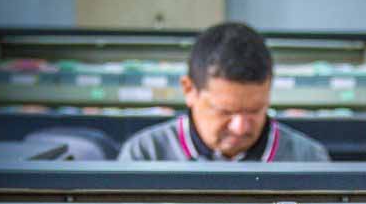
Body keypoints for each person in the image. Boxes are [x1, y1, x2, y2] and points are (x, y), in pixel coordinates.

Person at [118, 22, 330, 162]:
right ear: (189, 90)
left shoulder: (309, 159)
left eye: (255, 110)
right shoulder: (144, 155)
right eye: (225, 111)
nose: (240, 127)